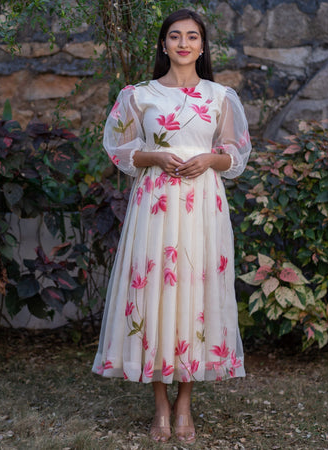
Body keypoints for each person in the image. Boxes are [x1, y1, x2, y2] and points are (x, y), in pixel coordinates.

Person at [92, 8, 251, 444]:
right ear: (163, 44)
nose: (184, 43)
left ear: (202, 46)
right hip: (156, 204)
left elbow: (235, 155)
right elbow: (118, 149)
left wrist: (210, 159)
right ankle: (161, 404)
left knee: (196, 292)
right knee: (157, 295)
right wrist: (155, 156)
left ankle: (185, 403)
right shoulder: (138, 95)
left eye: (193, 36)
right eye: (175, 36)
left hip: (202, 203)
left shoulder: (220, 97)